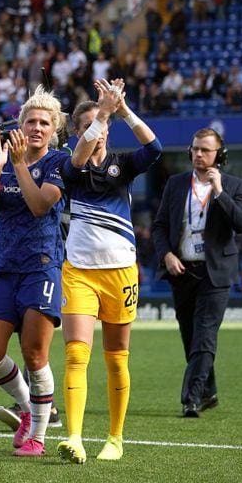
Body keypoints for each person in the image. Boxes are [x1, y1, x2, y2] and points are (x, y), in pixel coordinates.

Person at [56, 80, 162, 463]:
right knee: (75, 355)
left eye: (98, 125)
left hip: (119, 271)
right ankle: (74, 437)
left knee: (116, 357)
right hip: (79, 272)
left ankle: (115, 439)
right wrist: (102, 112)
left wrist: (123, 111)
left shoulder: (124, 164)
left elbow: (154, 148)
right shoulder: (71, 167)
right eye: (86, 126)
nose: (94, 132)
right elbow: (80, 158)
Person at [0, 86, 66, 457]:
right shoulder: (4, 160)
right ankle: (29, 409)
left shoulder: (58, 163)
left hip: (41, 267)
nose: (37, 128)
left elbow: (41, 205)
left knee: (34, 353)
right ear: (20, 125)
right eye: (31, 121)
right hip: (2, 267)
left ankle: (39, 437)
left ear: (54, 128)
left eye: (44, 122)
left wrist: (20, 164)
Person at [151, 127, 242, 418]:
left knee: (204, 334)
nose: (199, 154)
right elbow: (160, 226)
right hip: (182, 272)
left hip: (215, 273)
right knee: (191, 337)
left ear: (220, 155)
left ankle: (190, 398)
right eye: (195, 149)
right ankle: (209, 392)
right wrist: (166, 254)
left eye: (205, 150)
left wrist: (219, 192)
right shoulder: (176, 184)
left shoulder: (234, 185)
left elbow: (241, 223)